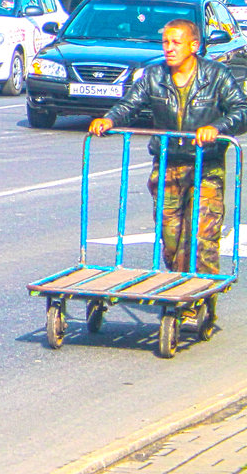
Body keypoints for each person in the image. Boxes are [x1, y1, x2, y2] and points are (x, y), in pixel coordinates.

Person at [89, 19, 247, 293]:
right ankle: (180, 288)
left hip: (206, 166)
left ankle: (199, 299)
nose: (169, 49)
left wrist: (216, 128)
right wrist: (109, 119)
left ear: (194, 46)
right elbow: (130, 103)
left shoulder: (217, 75)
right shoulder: (154, 75)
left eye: (176, 43)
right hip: (168, 165)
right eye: (166, 43)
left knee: (201, 237)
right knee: (171, 237)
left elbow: (241, 110)